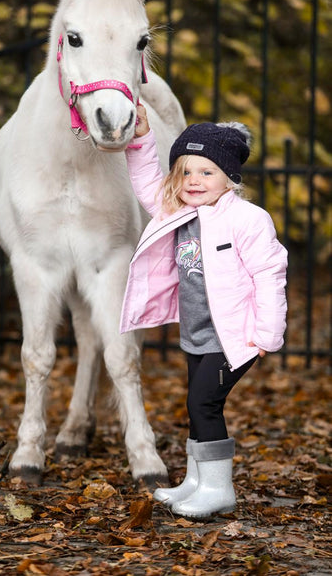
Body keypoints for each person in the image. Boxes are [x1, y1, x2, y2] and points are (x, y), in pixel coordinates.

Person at [120, 104, 288, 518]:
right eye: (185, 172)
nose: (194, 181)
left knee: (203, 405)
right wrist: (140, 139)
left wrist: (267, 335)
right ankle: (196, 482)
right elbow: (145, 185)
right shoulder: (179, 212)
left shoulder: (249, 220)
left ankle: (218, 489)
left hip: (233, 338)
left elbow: (271, 275)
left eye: (207, 172)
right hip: (198, 335)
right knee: (196, 405)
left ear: (230, 178)